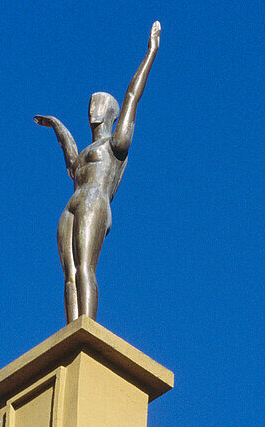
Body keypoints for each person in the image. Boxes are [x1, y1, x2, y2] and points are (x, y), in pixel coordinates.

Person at [34, 21, 161, 323]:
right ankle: (72, 327)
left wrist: (151, 52)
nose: (93, 109)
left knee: (86, 266)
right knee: (69, 273)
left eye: (100, 104)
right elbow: (69, 153)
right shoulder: (82, 158)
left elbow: (132, 95)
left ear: (112, 112)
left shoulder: (116, 145)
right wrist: (56, 124)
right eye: (91, 104)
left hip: (95, 199)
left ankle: (87, 327)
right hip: (73, 202)